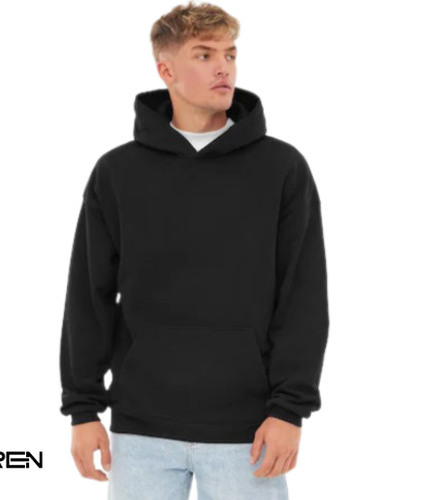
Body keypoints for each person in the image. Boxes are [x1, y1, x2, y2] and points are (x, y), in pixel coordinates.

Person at [59, 2, 330, 499]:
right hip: (140, 431)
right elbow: (88, 294)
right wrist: (83, 409)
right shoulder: (118, 173)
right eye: (204, 55)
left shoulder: (281, 169)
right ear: (166, 71)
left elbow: (303, 295)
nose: (223, 67)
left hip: (249, 431)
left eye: (230, 54)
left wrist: (289, 410)